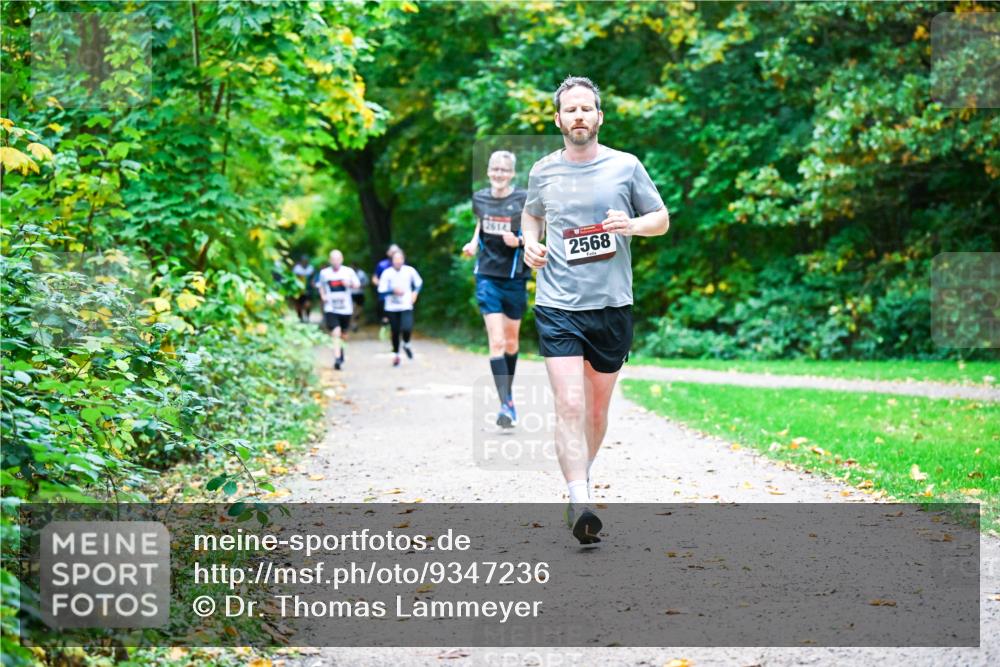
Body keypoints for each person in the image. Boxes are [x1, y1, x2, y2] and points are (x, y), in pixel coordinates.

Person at [521, 76, 670, 545]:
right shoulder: (542, 171)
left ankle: (579, 479)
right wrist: (531, 242)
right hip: (557, 304)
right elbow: (531, 213)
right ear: (559, 119)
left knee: (596, 408)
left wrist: (632, 225)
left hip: (611, 306)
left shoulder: (626, 167)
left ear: (599, 117)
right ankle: (579, 498)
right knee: (568, 403)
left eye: (587, 109)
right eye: (571, 110)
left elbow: (661, 220)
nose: (579, 116)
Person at [462, 150, 529, 429]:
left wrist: (520, 240)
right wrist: (473, 243)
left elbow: (537, 230)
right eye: (494, 169)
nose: (499, 174)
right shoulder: (479, 198)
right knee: (497, 341)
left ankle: (508, 397)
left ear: (512, 173)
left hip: (514, 277)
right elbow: (481, 223)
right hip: (487, 275)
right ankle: (505, 404)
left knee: (512, 343)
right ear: (488, 171)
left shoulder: (523, 199)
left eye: (504, 170)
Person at [377, 249, 423, 367]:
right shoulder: (387, 273)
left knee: (407, 328)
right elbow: (381, 290)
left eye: (400, 259)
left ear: (403, 260)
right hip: (391, 307)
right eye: (395, 260)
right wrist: (392, 291)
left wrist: (415, 293)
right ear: (392, 261)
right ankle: (396, 355)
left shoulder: (410, 271)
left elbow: (419, 283)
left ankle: (406, 343)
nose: (398, 262)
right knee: (395, 331)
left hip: (406, 305)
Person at [317, 250, 361, 371]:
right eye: (333, 259)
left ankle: (341, 351)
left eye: (338, 259)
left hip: (345, 308)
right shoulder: (324, 273)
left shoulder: (348, 272)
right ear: (330, 260)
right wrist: (323, 296)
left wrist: (349, 284)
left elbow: (357, 285)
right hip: (331, 308)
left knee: (343, 334)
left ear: (341, 259)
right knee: (335, 332)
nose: (335, 261)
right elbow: (320, 286)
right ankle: (337, 358)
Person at [372, 244, 401, 329]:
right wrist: (381, 284)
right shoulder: (382, 265)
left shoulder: (403, 265)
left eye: (396, 251)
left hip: (399, 295)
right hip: (385, 295)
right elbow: (374, 278)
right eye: (392, 252)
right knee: (386, 314)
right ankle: (386, 324)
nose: (394, 254)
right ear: (388, 253)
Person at [292, 255, 316, 323]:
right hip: (298, 290)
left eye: (306, 261)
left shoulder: (311, 269)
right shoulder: (297, 269)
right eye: (304, 261)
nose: (305, 262)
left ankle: (307, 317)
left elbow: (313, 278)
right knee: (298, 305)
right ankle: (300, 318)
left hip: (308, 289)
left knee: (308, 304)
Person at [350, 264, 369, 332]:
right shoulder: (348, 273)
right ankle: (353, 324)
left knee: (359, 309)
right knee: (352, 309)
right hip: (351, 294)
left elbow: (366, 283)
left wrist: (360, 286)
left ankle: (355, 321)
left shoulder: (362, 273)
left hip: (360, 294)